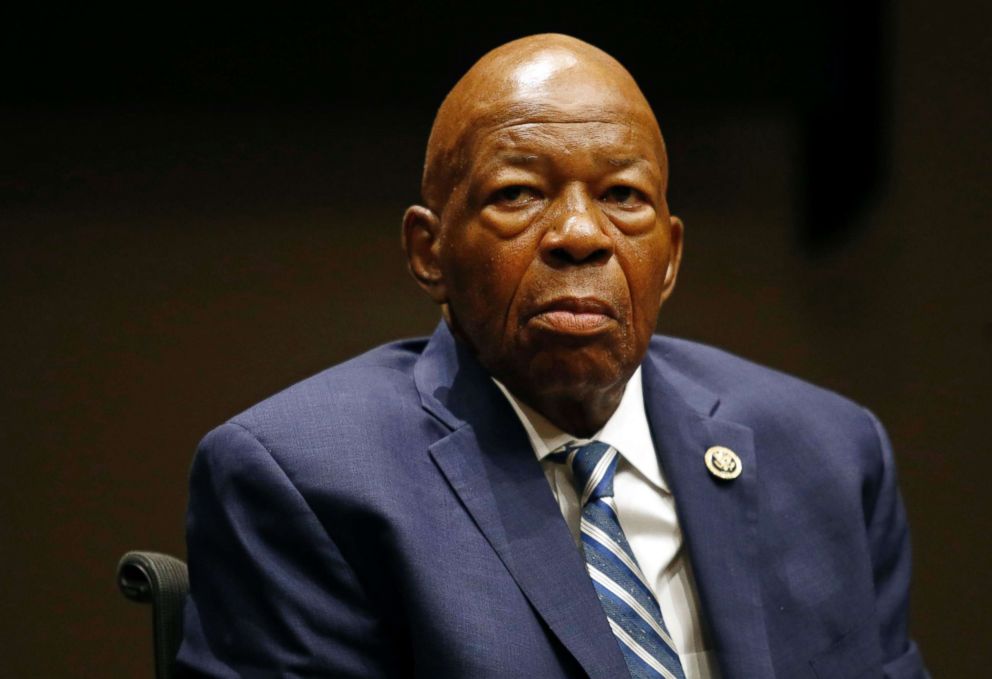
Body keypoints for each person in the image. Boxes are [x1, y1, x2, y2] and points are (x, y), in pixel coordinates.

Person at [176, 34, 928, 678]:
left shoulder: (829, 454)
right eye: (519, 192)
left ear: (669, 258)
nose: (580, 233)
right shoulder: (307, 480)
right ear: (428, 250)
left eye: (624, 196)